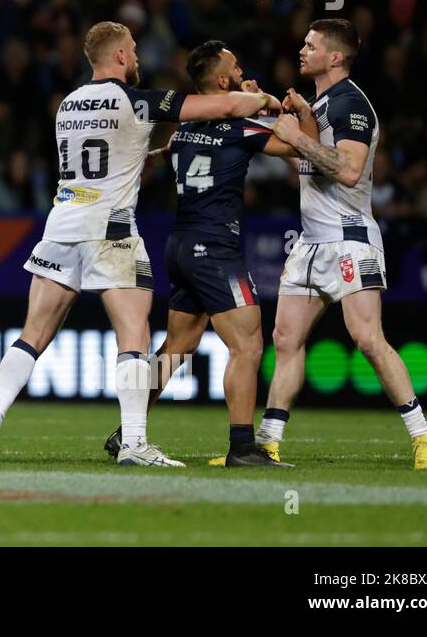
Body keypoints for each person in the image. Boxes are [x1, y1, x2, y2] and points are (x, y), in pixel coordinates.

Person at [0, 21, 281, 467]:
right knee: (134, 337)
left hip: (60, 223)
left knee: (32, 334)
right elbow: (225, 104)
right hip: (111, 228)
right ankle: (133, 443)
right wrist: (264, 99)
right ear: (121, 57)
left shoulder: (67, 104)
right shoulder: (138, 101)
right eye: (133, 50)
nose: (139, 58)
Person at [100, 40, 315, 467]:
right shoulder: (242, 128)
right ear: (223, 81)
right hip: (214, 245)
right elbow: (301, 149)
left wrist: (252, 105)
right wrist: (294, 112)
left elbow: (167, 156)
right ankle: (241, 448)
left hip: (180, 244)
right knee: (248, 343)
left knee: (178, 345)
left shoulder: (182, 130)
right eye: (235, 68)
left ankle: (129, 429)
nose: (241, 71)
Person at [260, 19, 427, 470]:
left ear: (335, 57)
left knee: (367, 339)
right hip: (310, 243)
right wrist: (246, 112)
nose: (301, 51)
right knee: (285, 339)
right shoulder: (319, 104)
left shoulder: (349, 103)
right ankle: (266, 442)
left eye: (311, 45)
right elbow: (278, 146)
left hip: (349, 239)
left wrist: (297, 135)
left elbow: (348, 170)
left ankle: (424, 440)